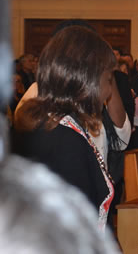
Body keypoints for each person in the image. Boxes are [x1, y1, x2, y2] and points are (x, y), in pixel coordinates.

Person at [13, 26, 117, 231]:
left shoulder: (50, 124)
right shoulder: (64, 141)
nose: (109, 90)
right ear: (86, 80)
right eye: (108, 79)